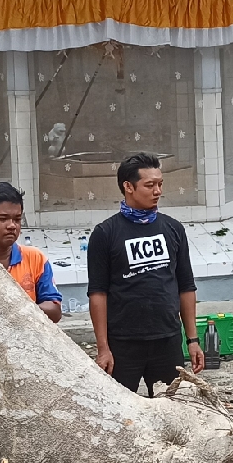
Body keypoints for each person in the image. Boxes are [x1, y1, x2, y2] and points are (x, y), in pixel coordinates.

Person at [87, 152, 204, 393]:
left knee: (172, 407)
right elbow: (98, 293)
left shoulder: (173, 228)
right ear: (128, 187)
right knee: (119, 411)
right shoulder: (105, 233)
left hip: (167, 339)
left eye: (160, 184)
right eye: (149, 185)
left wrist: (192, 340)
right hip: (123, 342)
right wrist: (103, 348)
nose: (157, 191)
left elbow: (186, 286)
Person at [0, 181, 64, 323]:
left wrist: (16, 308)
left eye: (17, 219)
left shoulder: (35, 258)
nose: (12, 226)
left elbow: (55, 311)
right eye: (3, 219)